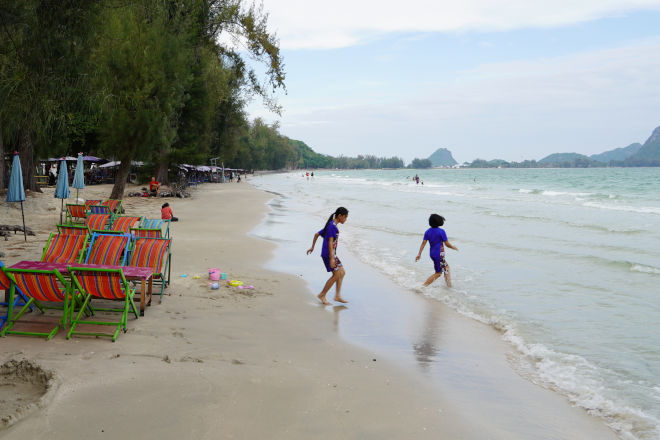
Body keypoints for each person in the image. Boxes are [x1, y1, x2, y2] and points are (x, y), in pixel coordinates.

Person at [306, 207, 349, 305]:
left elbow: (317, 234)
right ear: (340, 216)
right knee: (336, 274)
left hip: (332, 254)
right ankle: (322, 294)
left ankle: (337, 296)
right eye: (345, 217)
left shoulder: (330, 225)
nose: (346, 219)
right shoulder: (332, 226)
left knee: (342, 272)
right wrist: (331, 258)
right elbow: (330, 243)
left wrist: (312, 247)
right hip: (328, 254)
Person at [415, 214, 458, 287]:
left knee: (446, 267)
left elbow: (423, 243)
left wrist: (419, 254)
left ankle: (449, 286)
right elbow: (447, 244)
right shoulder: (441, 231)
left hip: (432, 254)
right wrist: (453, 247)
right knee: (438, 273)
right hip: (439, 254)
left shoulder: (427, 231)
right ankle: (423, 286)